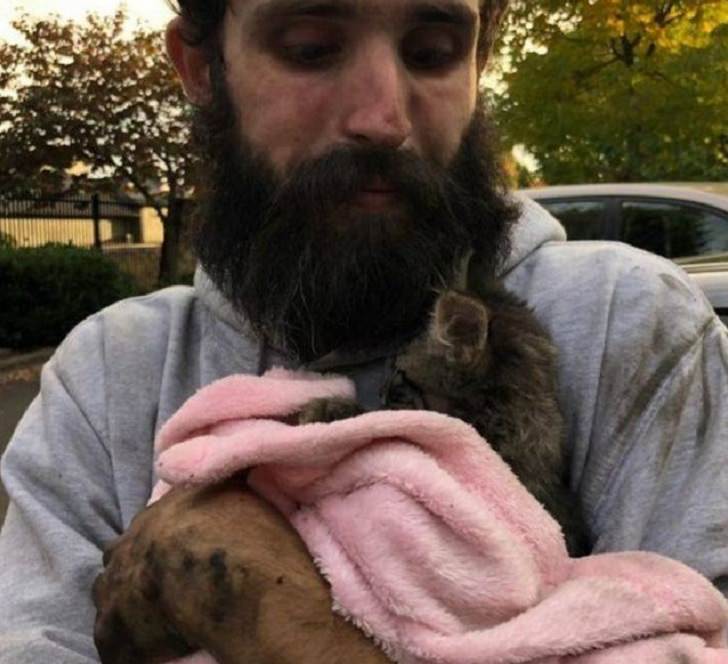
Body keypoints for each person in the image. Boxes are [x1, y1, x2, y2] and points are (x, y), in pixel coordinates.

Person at [1, 0, 727, 661]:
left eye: (434, 51)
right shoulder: (106, 377)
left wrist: (261, 598)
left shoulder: (627, 328)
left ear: (480, 61)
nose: (384, 119)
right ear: (201, 68)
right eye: (313, 47)